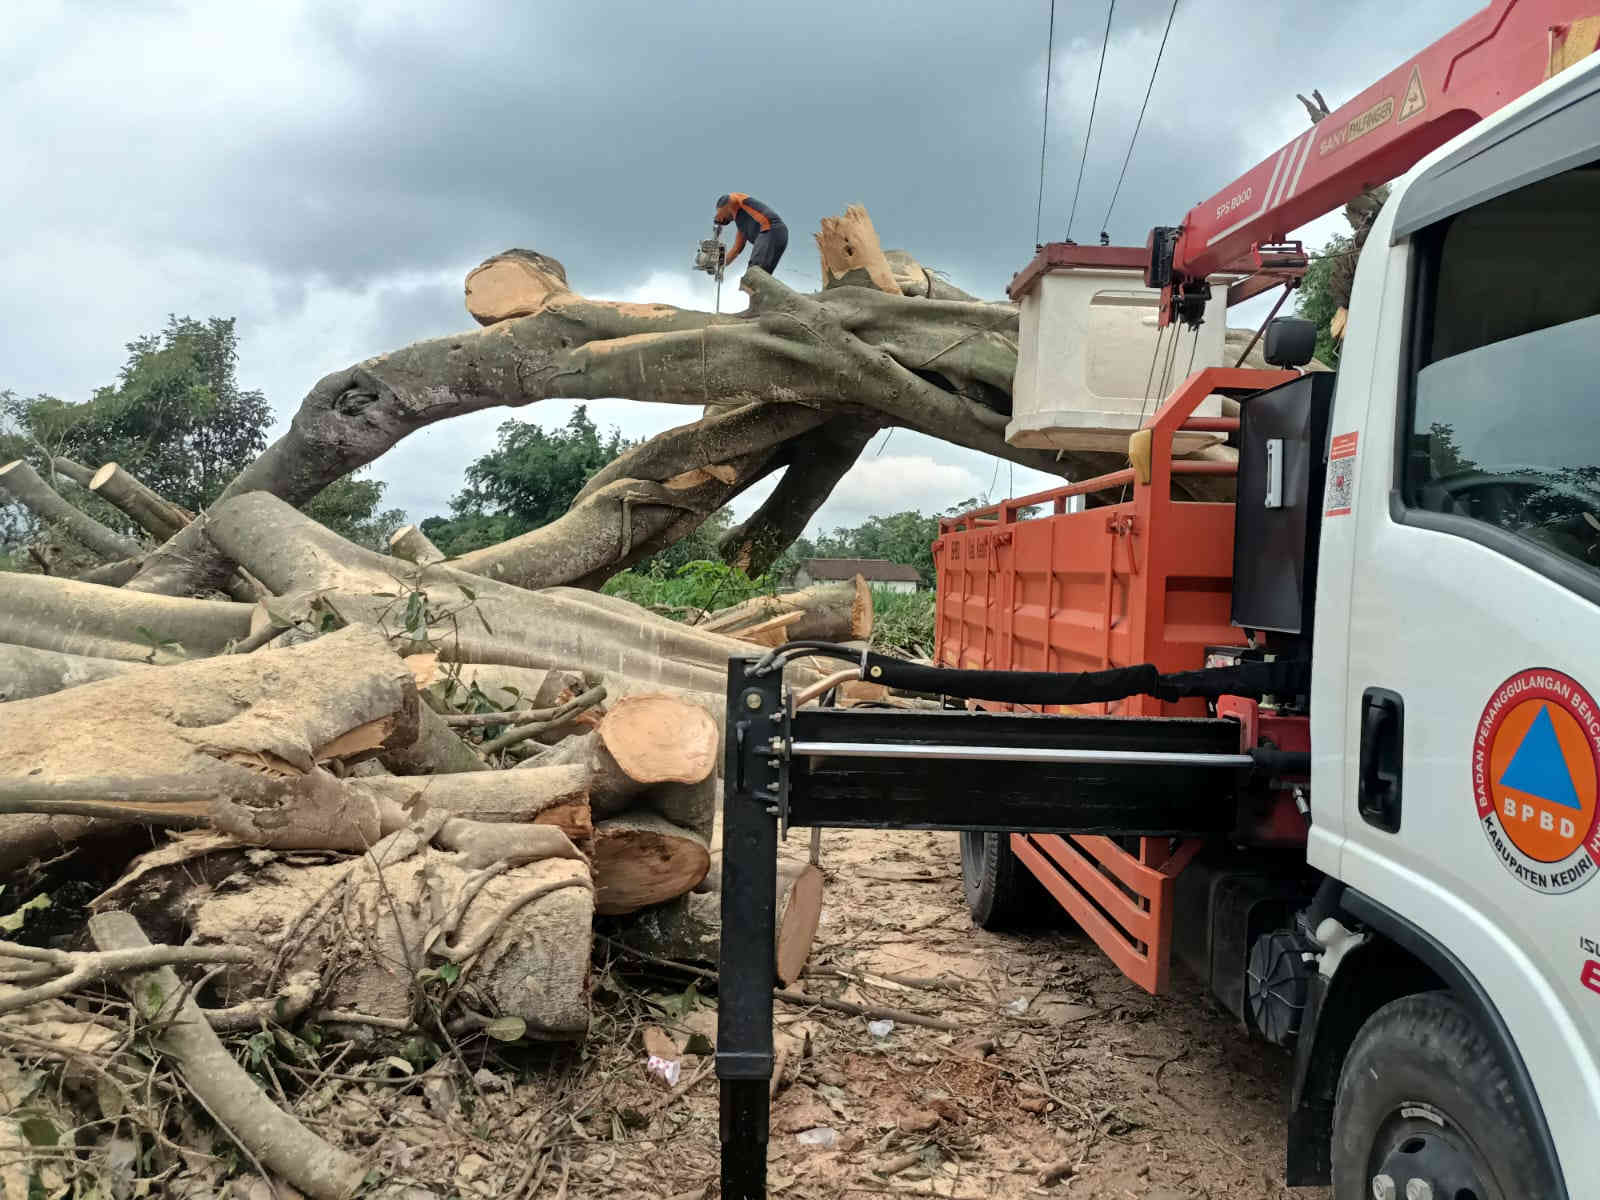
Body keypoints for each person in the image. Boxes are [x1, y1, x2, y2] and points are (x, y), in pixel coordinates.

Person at [714, 193, 788, 275]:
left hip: (770, 229)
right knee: (761, 277)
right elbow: (736, 250)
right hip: (775, 234)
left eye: (719, 212)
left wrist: (718, 219)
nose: (722, 218)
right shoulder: (741, 225)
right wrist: (719, 265)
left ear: (725, 207)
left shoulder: (738, 201)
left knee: (754, 273)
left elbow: (732, 198)